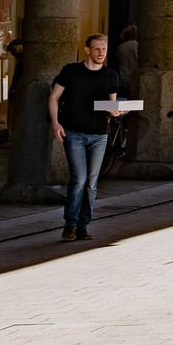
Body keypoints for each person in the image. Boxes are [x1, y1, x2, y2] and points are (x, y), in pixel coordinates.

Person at [49, 33, 121, 241]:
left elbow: (112, 105)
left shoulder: (110, 75)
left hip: (99, 134)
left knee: (92, 182)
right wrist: (55, 123)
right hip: (74, 133)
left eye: (104, 49)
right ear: (88, 49)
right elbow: (54, 97)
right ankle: (70, 224)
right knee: (79, 179)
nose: (101, 53)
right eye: (97, 49)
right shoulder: (71, 71)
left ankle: (83, 225)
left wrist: (115, 112)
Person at [114, 24, 140, 97]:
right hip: (135, 72)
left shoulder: (120, 47)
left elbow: (118, 59)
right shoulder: (137, 45)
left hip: (124, 74)